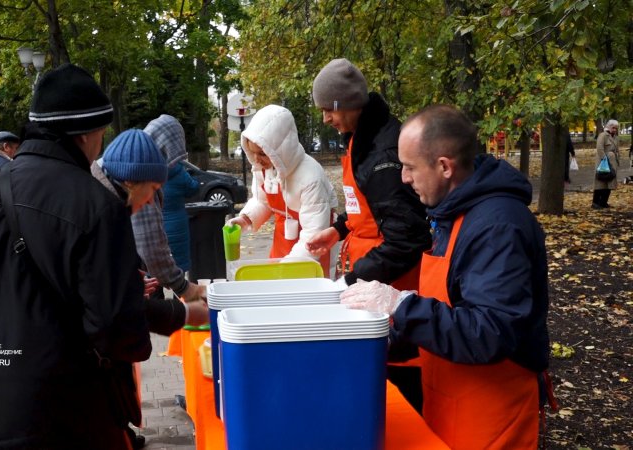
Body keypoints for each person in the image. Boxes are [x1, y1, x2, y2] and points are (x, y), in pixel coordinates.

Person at [0, 63, 151, 449]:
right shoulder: (96, 206)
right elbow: (117, 330)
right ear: (88, 133)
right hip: (72, 420)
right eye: (103, 131)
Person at [340, 105, 550, 449]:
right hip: (449, 404)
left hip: (492, 416)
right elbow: (447, 305)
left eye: (409, 167)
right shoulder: (447, 213)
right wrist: (381, 339)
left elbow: (491, 331)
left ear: (444, 166)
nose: (403, 178)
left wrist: (401, 305)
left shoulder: (498, 226)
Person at [305, 58, 431, 410]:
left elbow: (406, 239)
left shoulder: (382, 155)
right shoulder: (360, 139)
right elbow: (368, 205)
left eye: (328, 110)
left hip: (393, 283)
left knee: (398, 377)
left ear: (346, 103)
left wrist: (352, 279)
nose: (326, 119)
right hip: (371, 277)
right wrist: (337, 229)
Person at [91, 128, 209, 336]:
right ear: (129, 182)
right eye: (154, 189)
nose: (151, 201)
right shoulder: (100, 214)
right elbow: (110, 307)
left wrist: (126, 279)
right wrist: (185, 313)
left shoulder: (106, 199)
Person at [227, 104, 338, 274]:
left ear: (279, 151)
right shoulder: (263, 169)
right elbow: (262, 201)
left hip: (313, 245)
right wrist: (246, 219)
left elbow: (314, 233)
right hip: (283, 238)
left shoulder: (311, 178)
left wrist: (289, 268)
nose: (257, 159)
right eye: (252, 152)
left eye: (263, 154)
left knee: (307, 292)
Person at [139, 115, 202, 291]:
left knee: (152, 286)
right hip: (177, 226)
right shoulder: (143, 179)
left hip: (146, 263)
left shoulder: (137, 172)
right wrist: (184, 289)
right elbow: (149, 246)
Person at [592, 119, 620, 208]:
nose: (615, 130)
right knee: (600, 183)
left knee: (609, 183)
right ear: (608, 127)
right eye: (613, 128)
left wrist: (617, 160)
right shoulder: (603, 135)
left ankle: (604, 202)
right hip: (603, 163)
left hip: (613, 162)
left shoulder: (616, 137)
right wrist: (605, 160)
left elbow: (617, 150)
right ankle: (595, 203)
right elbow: (599, 149)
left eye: (616, 128)